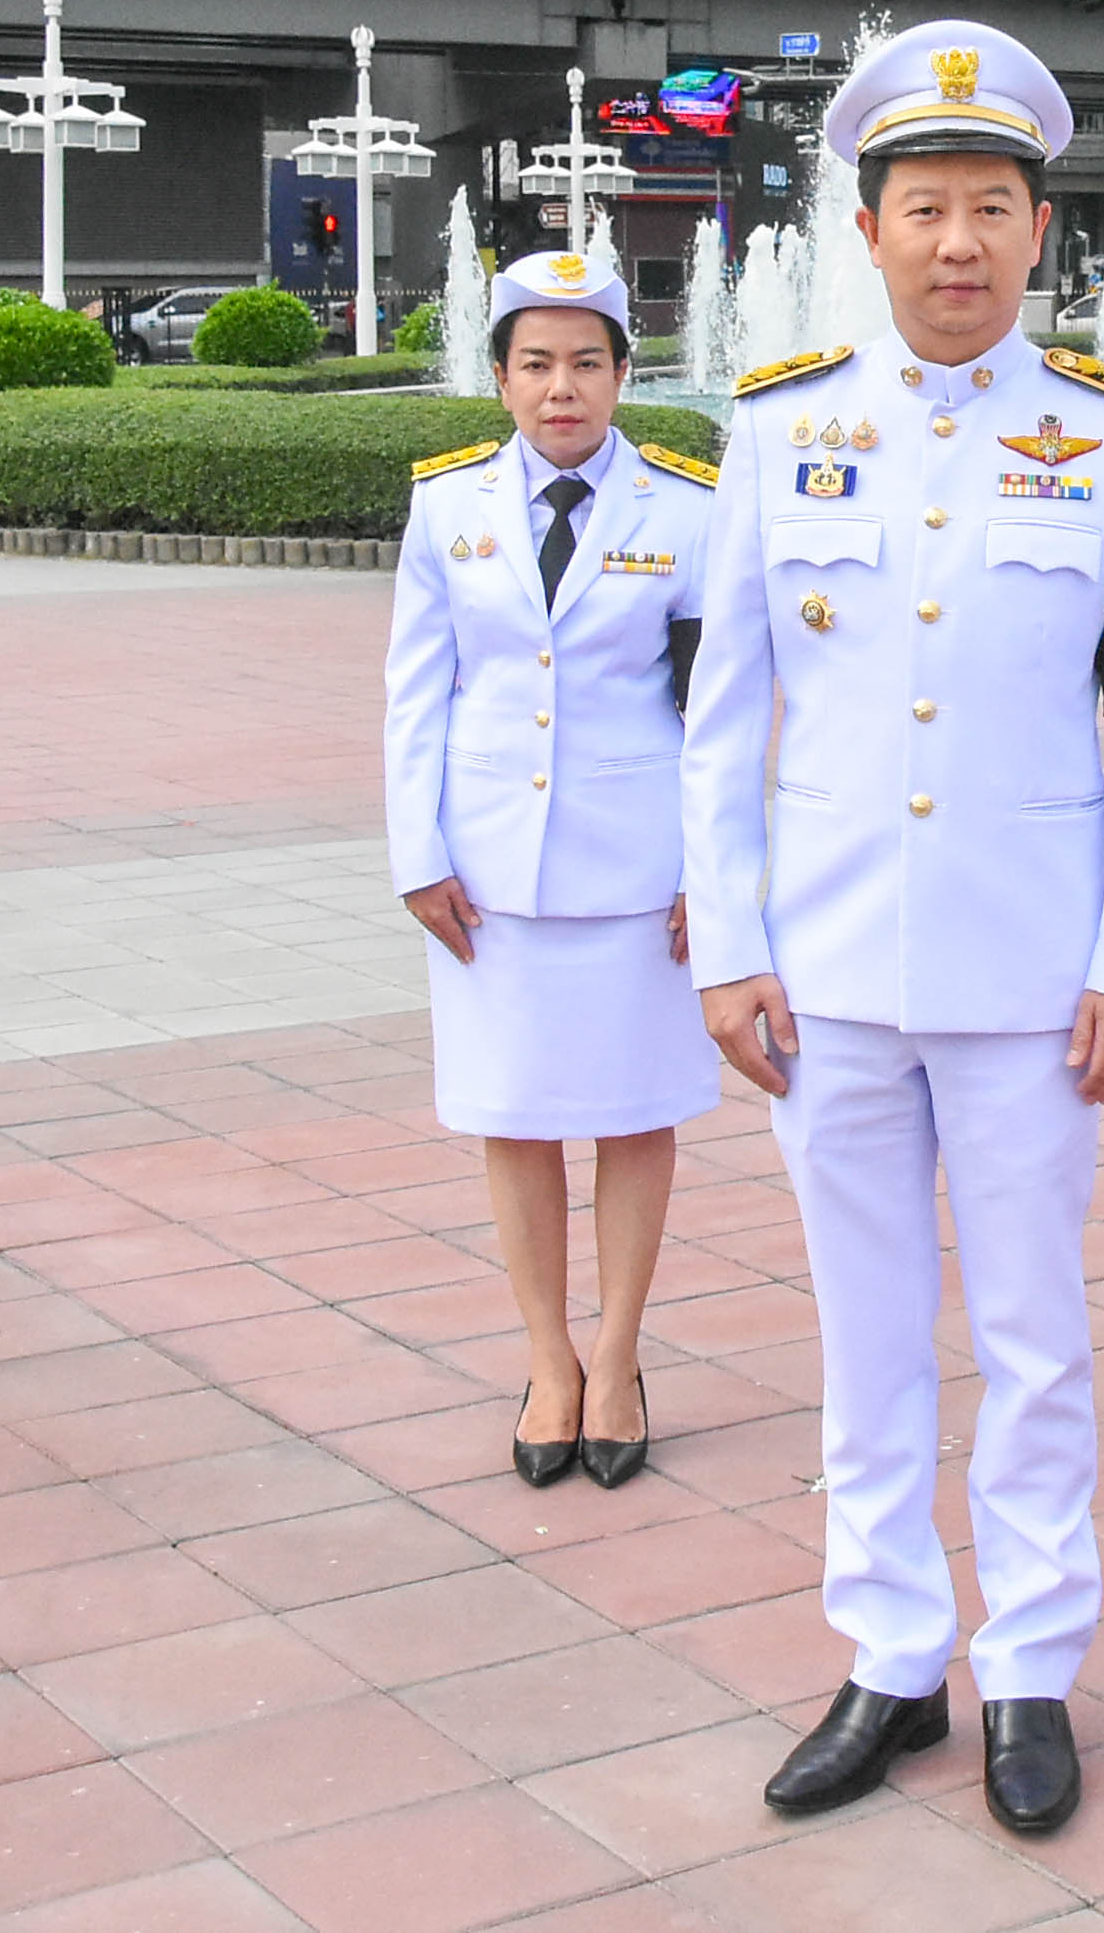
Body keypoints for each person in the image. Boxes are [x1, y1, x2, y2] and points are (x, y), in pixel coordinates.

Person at [682, 19, 1104, 1835]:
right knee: (863, 1326)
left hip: (1030, 969)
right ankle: (892, 1656)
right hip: (823, 971)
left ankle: (1038, 1667)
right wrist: (726, 944)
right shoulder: (774, 424)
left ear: (1040, 228)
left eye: (994, 206)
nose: (960, 242)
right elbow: (717, 718)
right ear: (869, 221)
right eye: (927, 207)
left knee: (1038, 1333)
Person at [387, 249, 717, 1492]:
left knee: (634, 1112)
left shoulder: (687, 508)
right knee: (513, 1115)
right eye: (537, 363)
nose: (561, 388)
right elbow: (416, 693)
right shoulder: (448, 505)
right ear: (500, 376)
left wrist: (715, 872)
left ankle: (621, 1353)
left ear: (626, 373)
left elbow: (718, 711)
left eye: (587, 362)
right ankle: (546, 1359)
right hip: (486, 871)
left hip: (640, 870)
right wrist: (416, 852)